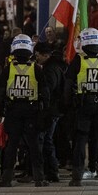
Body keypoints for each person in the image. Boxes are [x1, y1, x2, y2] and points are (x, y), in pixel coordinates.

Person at [67, 28, 98, 186]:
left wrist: (71, 104)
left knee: (81, 140)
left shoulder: (78, 60)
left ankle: (77, 178)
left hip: (83, 105)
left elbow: (67, 86)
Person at [0, 34, 48, 187]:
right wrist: (44, 109)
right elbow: (45, 92)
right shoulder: (36, 69)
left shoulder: (8, 69)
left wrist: (1, 110)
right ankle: (39, 178)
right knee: (34, 146)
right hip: (31, 110)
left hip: (13, 110)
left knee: (12, 145)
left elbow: (0, 92)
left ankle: (6, 179)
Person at [34, 41, 65, 183]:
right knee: (48, 140)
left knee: (46, 140)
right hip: (55, 109)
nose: (37, 58)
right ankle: (51, 171)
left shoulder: (49, 69)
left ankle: (52, 172)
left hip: (51, 110)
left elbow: (49, 89)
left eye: (38, 55)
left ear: (44, 55)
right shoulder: (55, 66)